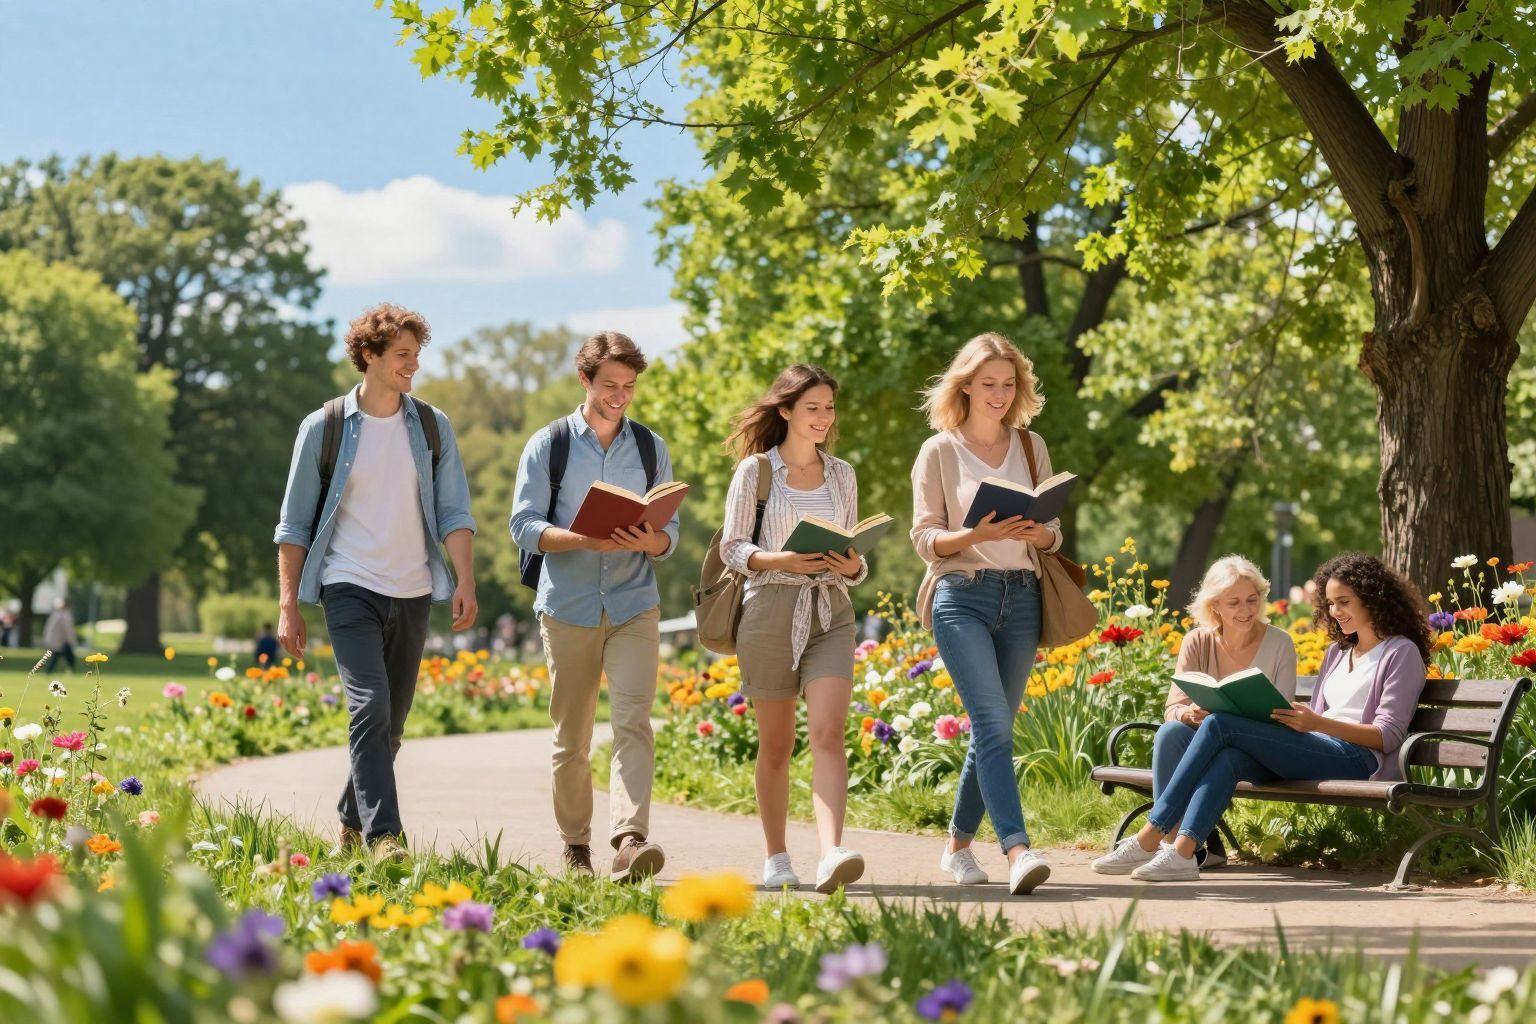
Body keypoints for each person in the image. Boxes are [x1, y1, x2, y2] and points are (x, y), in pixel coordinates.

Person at [274, 304, 478, 863]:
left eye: (417, 354)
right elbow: (293, 524)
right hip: (348, 583)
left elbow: (456, 511)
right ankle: (385, 838)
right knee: (369, 706)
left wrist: (465, 579)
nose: (413, 365)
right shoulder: (326, 427)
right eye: (402, 355)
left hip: (412, 589)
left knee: (392, 724)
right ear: (369, 356)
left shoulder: (432, 427)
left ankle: (348, 818)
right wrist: (288, 604)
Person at [1102, 551, 1430, 881]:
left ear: (1372, 598)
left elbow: (1388, 735)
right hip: (1317, 745)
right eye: (1330, 604)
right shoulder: (1338, 651)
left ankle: (1149, 836)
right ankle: (1184, 853)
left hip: (1359, 759)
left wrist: (1316, 723)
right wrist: (1309, 723)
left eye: (1343, 602)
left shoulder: (1401, 652)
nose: (1335, 611)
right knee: (1229, 756)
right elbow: (1315, 715)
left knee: (1220, 723)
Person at [510, 331, 679, 882]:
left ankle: (629, 840)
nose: (620, 396)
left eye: (629, 386)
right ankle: (576, 846)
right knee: (572, 738)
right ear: (585, 380)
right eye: (610, 385)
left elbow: (668, 532)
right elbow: (524, 525)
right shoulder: (549, 445)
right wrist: (584, 539)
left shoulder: (651, 446)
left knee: (633, 722)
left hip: (634, 603)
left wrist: (648, 539)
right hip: (569, 606)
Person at [910, 332, 1063, 895]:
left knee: (994, 729)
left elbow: (1054, 532)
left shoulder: (1030, 446)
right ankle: (1018, 850)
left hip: (1021, 597)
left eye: (1008, 384)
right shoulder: (940, 451)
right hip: (962, 595)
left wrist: (1040, 532)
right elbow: (924, 538)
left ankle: (956, 846)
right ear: (966, 386)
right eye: (988, 384)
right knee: (995, 725)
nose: (999, 394)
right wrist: (974, 534)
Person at [719, 364, 868, 893]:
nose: (824, 417)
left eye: (829, 408)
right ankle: (777, 857)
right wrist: (776, 558)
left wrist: (853, 567)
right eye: (813, 408)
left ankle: (832, 853)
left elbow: (852, 550)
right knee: (777, 743)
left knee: (829, 733)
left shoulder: (842, 474)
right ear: (785, 411)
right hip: (769, 611)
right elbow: (732, 547)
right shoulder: (756, 473)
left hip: (830, 608)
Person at [1091, 555, 1296, 874]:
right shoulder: (1197, 641)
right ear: (1215, 606)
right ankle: (1177, 848)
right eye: (1234, 603)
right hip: (1209, 741)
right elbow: (1173, 709)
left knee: (1221, 735)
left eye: (1252, 600)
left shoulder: (1280, 643)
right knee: (1170, 733)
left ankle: (1161, 844)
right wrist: (1188, 714)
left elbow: (1284, 715)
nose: (1245, 611)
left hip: (1260, 752)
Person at [42, 599, 78, 672]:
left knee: (65, 656)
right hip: (60, 641)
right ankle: (70, 669)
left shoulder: (61, 615)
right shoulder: (59, 616)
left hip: (62, 641)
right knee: (59, 656)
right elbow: (64, 629)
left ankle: (70, 669)